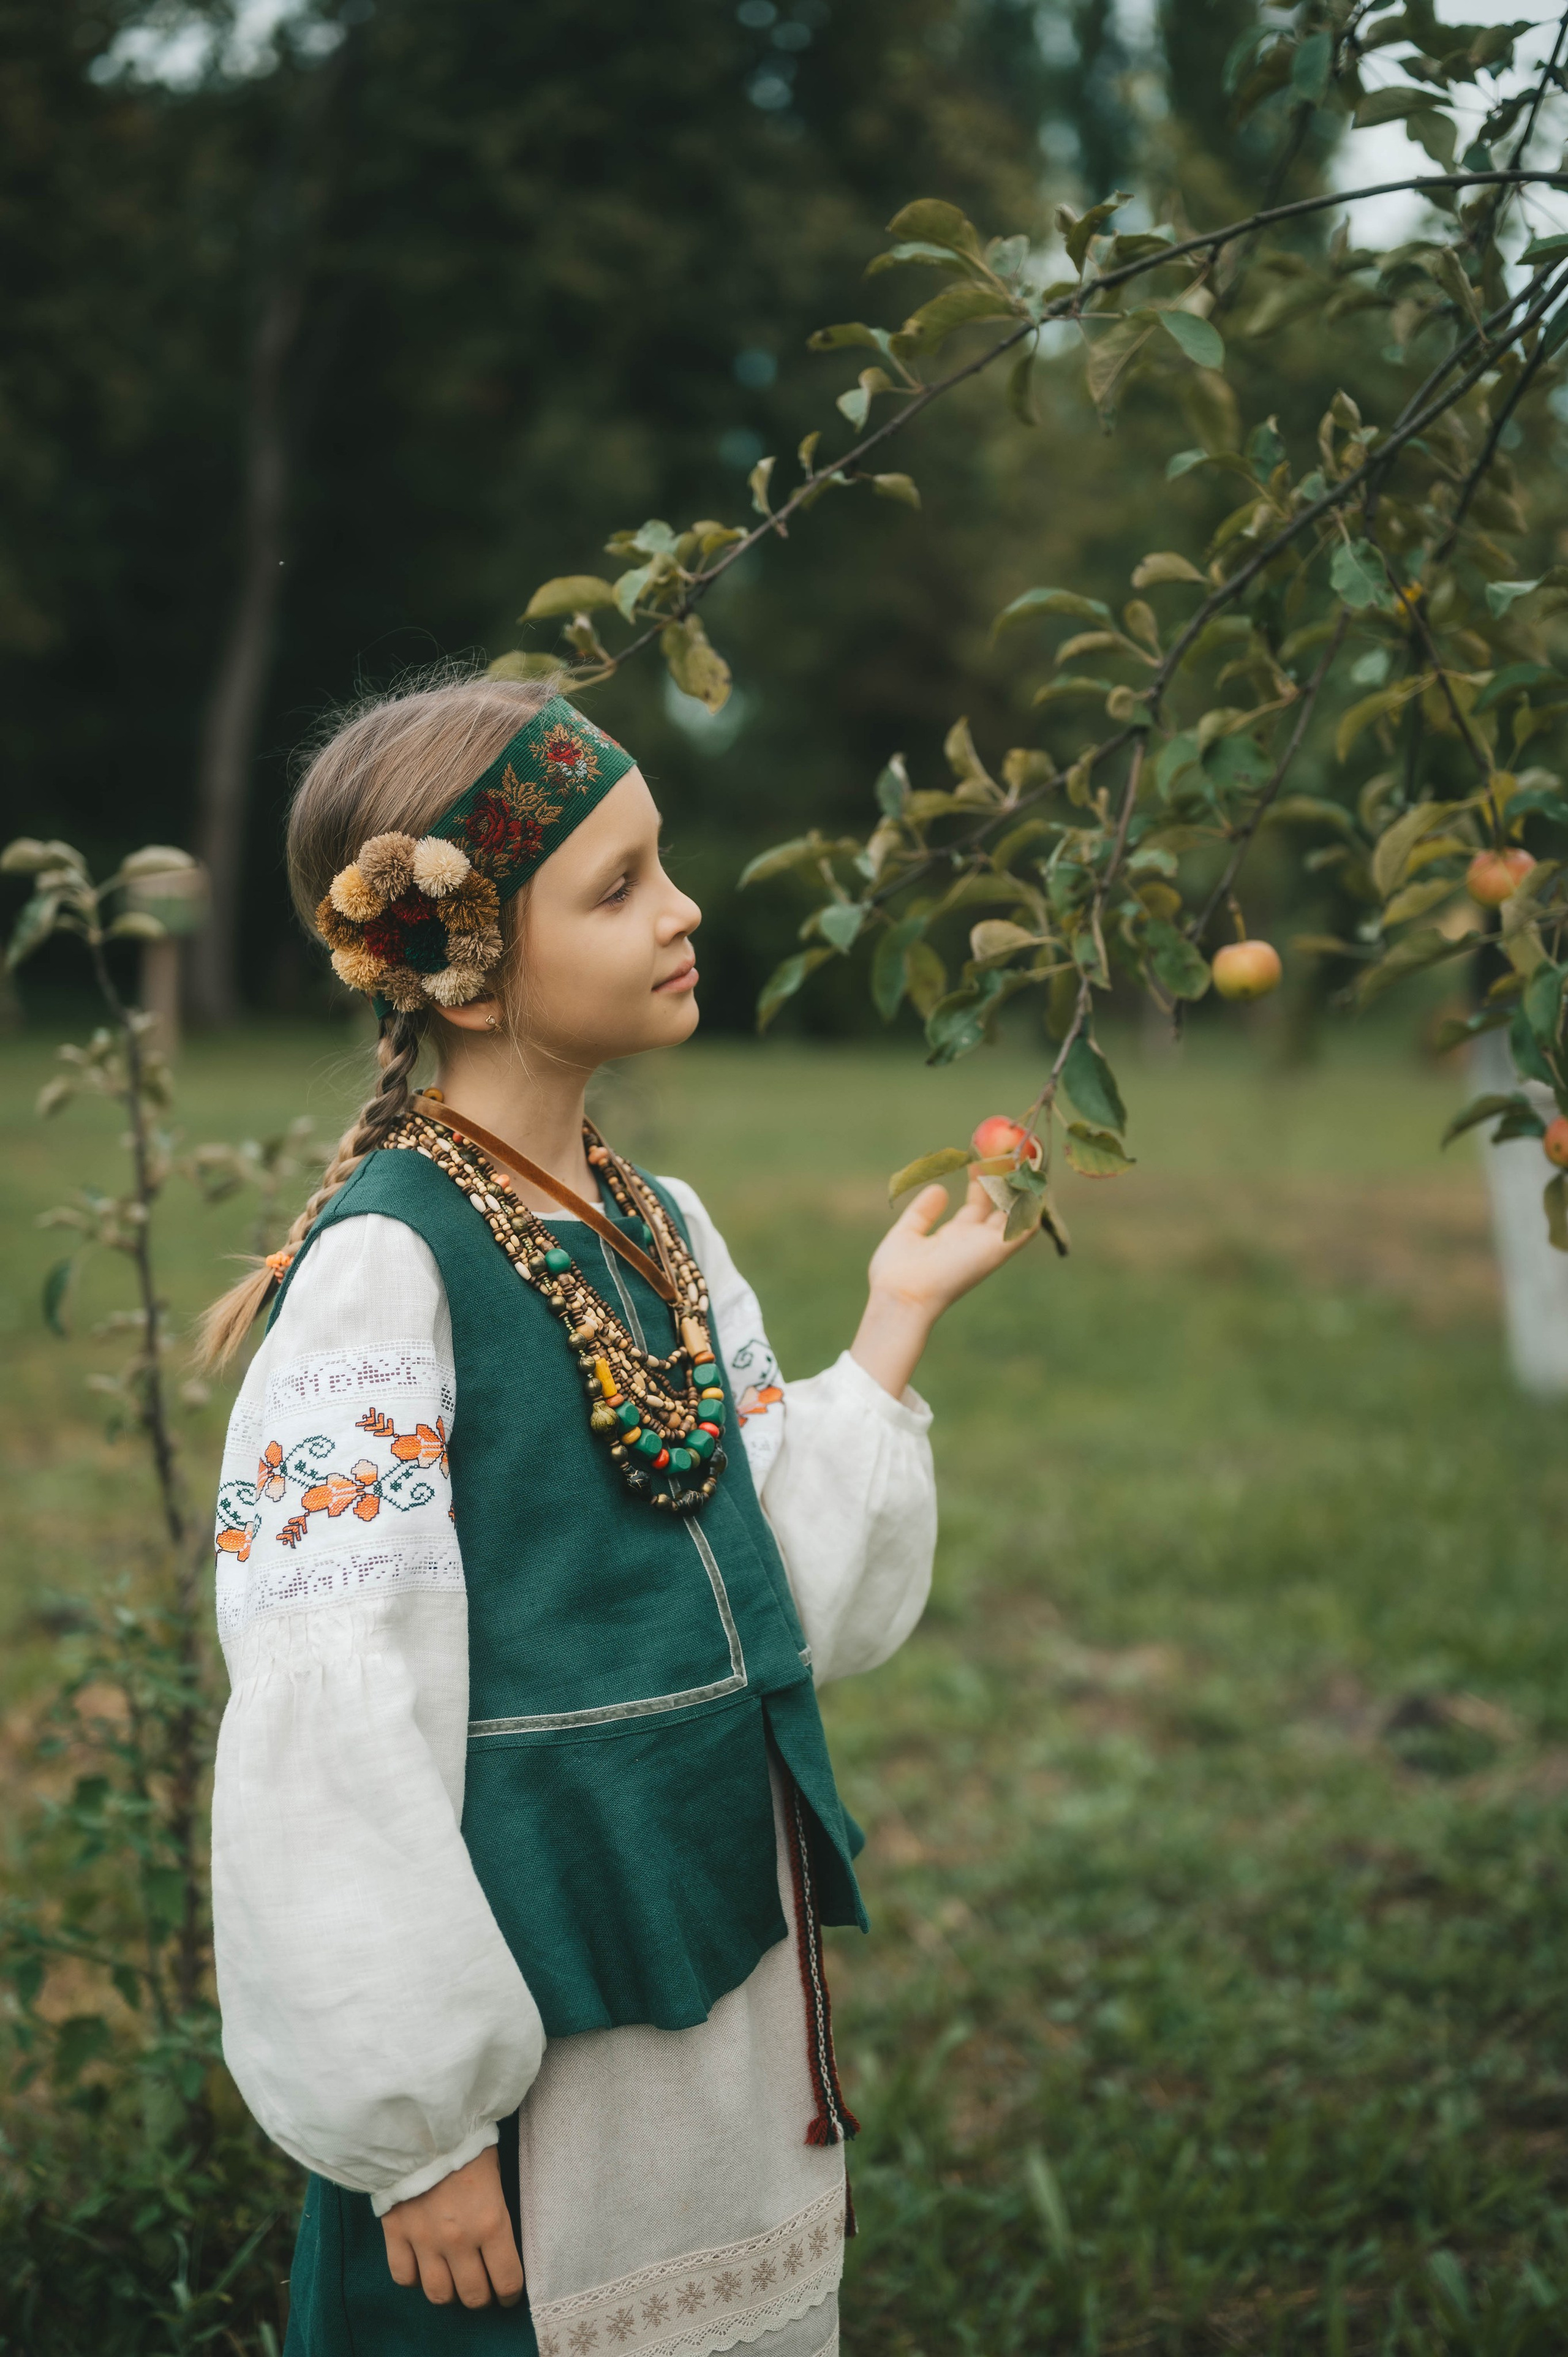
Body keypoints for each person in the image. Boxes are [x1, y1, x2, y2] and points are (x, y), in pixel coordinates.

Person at [200, 673, 1033, 2356]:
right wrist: (417, 2127)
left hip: (696, 1930)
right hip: (527, 1983)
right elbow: (329, 1711)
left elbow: (776, 1587)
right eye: (619, 884)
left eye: (663, 862)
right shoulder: (383, 1272)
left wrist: (892, 1327)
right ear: (469, 956)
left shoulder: (660, 1221)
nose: (683, 909)